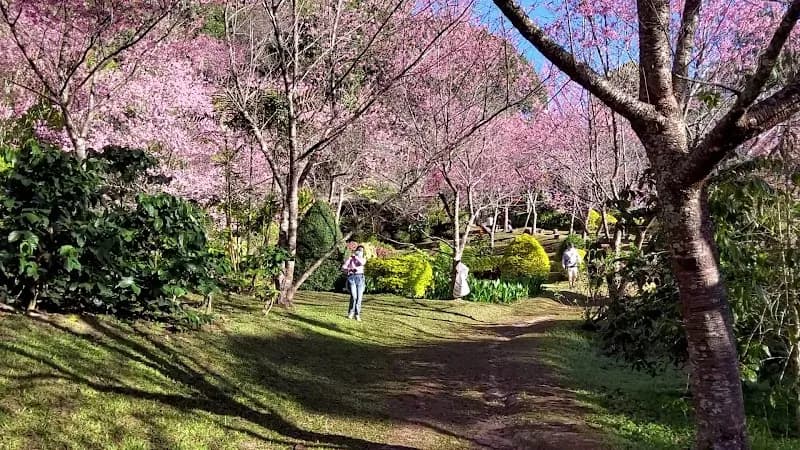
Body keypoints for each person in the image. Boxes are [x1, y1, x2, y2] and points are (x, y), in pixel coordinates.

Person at [342, 245, 367, 321]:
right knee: (354, 296)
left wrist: (355, 257)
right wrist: (350, 269)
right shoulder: (350, 259)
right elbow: (343, 267)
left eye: (361, 250)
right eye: (359, 250)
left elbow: (361, 263)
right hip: (352, 278)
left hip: (360, 278)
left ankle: (357, 314)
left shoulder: (363, 259)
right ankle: (351, 312)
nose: (360, 251)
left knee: (359, 298)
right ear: (356, 250)